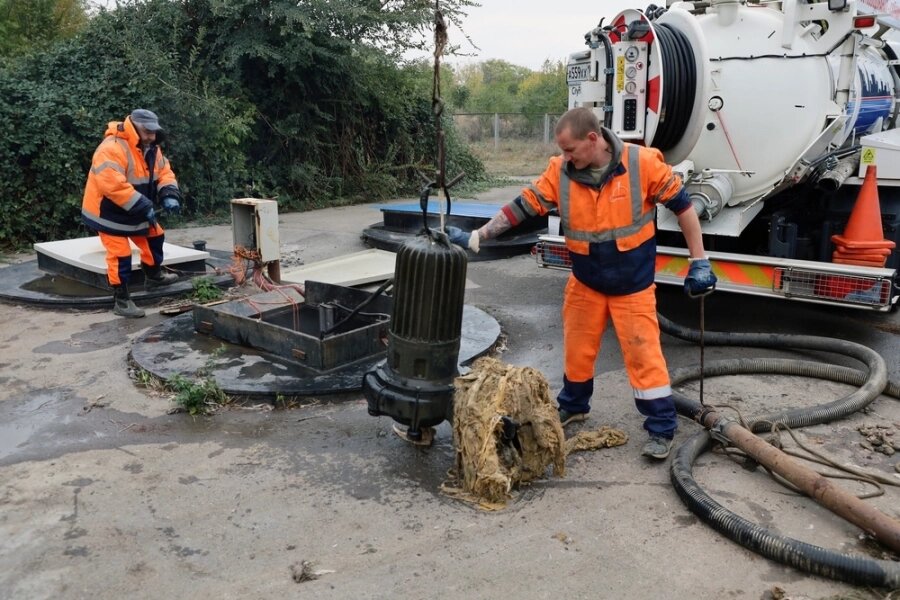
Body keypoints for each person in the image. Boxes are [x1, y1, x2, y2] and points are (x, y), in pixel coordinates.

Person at [446, 107, 717, 460]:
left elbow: (683, 208)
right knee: (577, 351)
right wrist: (478, 236)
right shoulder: (561, 172)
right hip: (586, 282)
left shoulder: (642, 164)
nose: (564, 157)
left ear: (593, 139)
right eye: (562, 151)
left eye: (570, 149)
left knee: (644, 357)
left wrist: (699, 260)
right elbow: (523, 206)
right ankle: (574, 405)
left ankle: (661, 427)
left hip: (632, 287)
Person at [81, 109, 183, 318]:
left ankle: (154, 277)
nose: (152, 137)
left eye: (154, 132)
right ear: (134, 127)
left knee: (155, 236)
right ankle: (121, 300)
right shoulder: (111, 149)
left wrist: (169, 194)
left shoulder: (152, 148)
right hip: (108, 213)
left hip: (134, 207)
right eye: (147, 132)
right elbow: (113, 186)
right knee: (120, 255)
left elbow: (165, 173)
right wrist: (144, 206)